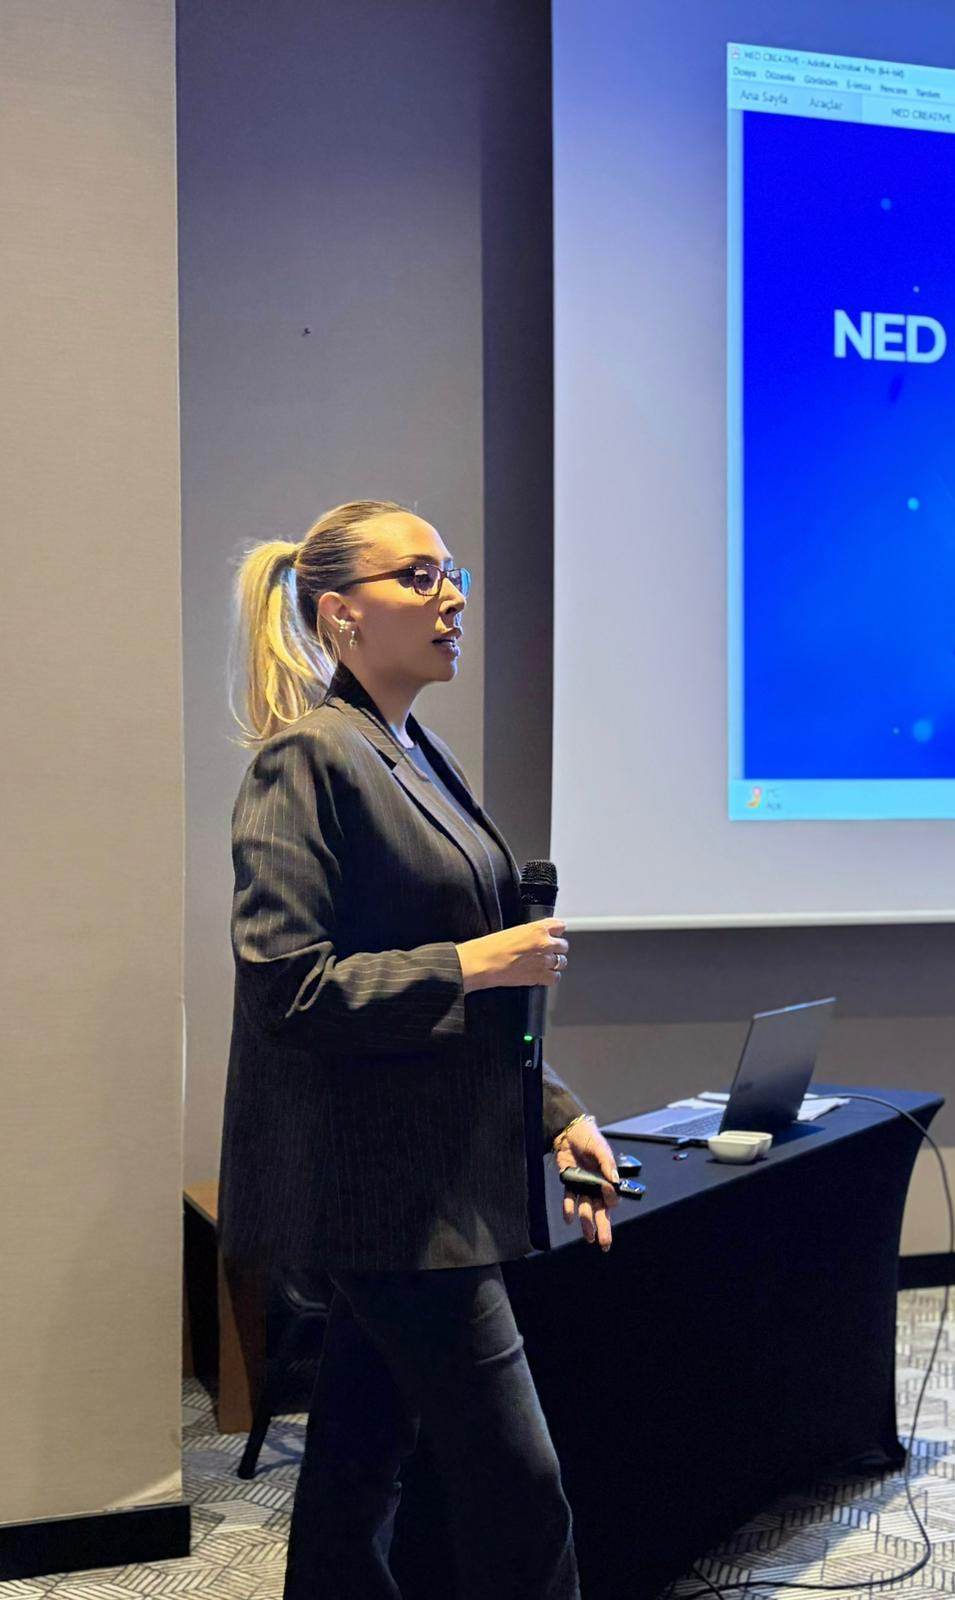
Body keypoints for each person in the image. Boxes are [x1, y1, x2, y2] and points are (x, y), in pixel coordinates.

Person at [217, 498, 619, 1600]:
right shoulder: (307, 758)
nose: (451, 598)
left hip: (429, 1177)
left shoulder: (414, 751)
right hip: (389, 1198)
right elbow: (288, 989)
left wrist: (558, 1115)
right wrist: (475, 963)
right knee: (520, 1488)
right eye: (419, 576)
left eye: (455, 576)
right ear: (340, 614)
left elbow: (469, 984)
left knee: (355, 1469)